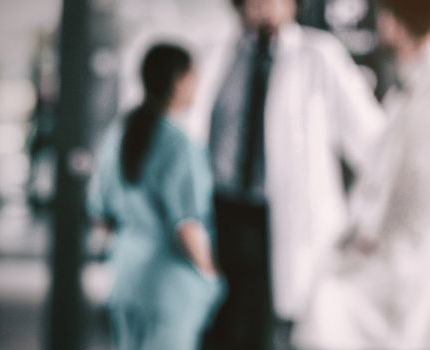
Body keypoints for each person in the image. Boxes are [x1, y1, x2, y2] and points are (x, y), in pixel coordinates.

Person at [195, 0, 387, 348]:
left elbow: (374, 145)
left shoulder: (320, 55)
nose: (263, 6)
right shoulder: (215, 52)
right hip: (223, 211)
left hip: (287, 219)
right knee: (219, 327)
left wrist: (367, 216)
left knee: (273, 330)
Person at [297, 0, 430, 347]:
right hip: (395, 255)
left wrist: (379, 240)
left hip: (411, 263)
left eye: (383, 16)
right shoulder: (415, 81)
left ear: (396, 23)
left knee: (330, 308)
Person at [87, 44, 223, 350]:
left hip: (124, 276)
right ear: (179, 80)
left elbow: (101, 218)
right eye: (193, 76)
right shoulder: (179, 145)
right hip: (169, 284)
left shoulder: (118, 135)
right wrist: (211, 276)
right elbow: (187, 225)